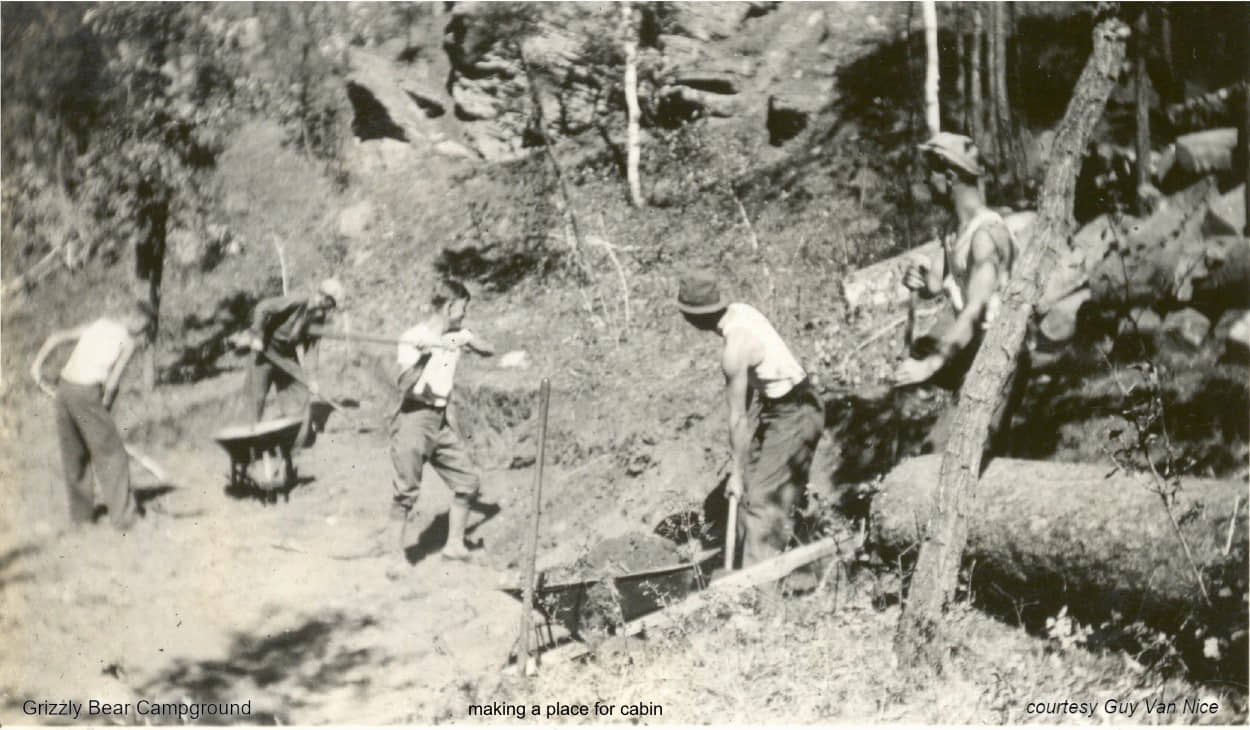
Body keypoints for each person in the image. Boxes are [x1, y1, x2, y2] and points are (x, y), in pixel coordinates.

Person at [677, 271, 824, 567]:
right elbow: (748, 397)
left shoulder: (734, 351)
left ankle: (760, 601)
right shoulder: (741, 312)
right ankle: (747, 570)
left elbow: (738, 418)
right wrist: (740, 464)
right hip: (782, 405)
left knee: (759, 503)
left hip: (795, 412)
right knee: (747, 498)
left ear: (693, 318)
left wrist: (736, 472)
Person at [892, 132, 1023, 448]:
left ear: (949, 177)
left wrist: (931, 365)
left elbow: (973, 313)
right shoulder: (955, 230)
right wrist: (919, 279)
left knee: (953, 453)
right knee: (920, 351)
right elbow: (936, 283)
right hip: (974, 345)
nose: (925, 180)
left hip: (999, 354)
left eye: (930, 173)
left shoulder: (985, 236)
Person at [389, 279, 494, 565]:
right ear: (449, 307)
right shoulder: (412, 337)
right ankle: (395, 556)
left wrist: (468, 338)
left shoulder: (455, 335)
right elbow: (404, 386)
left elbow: (488, 349)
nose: (464, 314)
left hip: (441, 421)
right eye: (462, 309)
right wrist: (423, 356)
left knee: (467, 482)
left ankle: (454, 545)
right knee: (406, 492)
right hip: (414, 418)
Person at [30, 299, 154, 530]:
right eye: (143, 325)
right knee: (113, 454)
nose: (141, 330)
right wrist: (105, 405)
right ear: (134, 318)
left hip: (64, 390)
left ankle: (81, 518)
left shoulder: (99, 324)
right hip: (86, 393)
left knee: (74, 453)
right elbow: (113, 383)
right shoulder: (128, 343)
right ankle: (125, 518)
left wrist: (36, 367)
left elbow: (55, 338)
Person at [244, 278, 344, 432]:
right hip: (265, 351)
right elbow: (263, 307)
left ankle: (293, 435)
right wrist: (257, 335)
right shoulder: (299, 300)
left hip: (286, 356)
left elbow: (312, 348)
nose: (331, 308)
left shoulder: (319, 317)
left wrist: (312, 379)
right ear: (325, 298)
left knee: (300, 392)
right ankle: (250, 440)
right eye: (331, 304)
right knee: (257, 397)